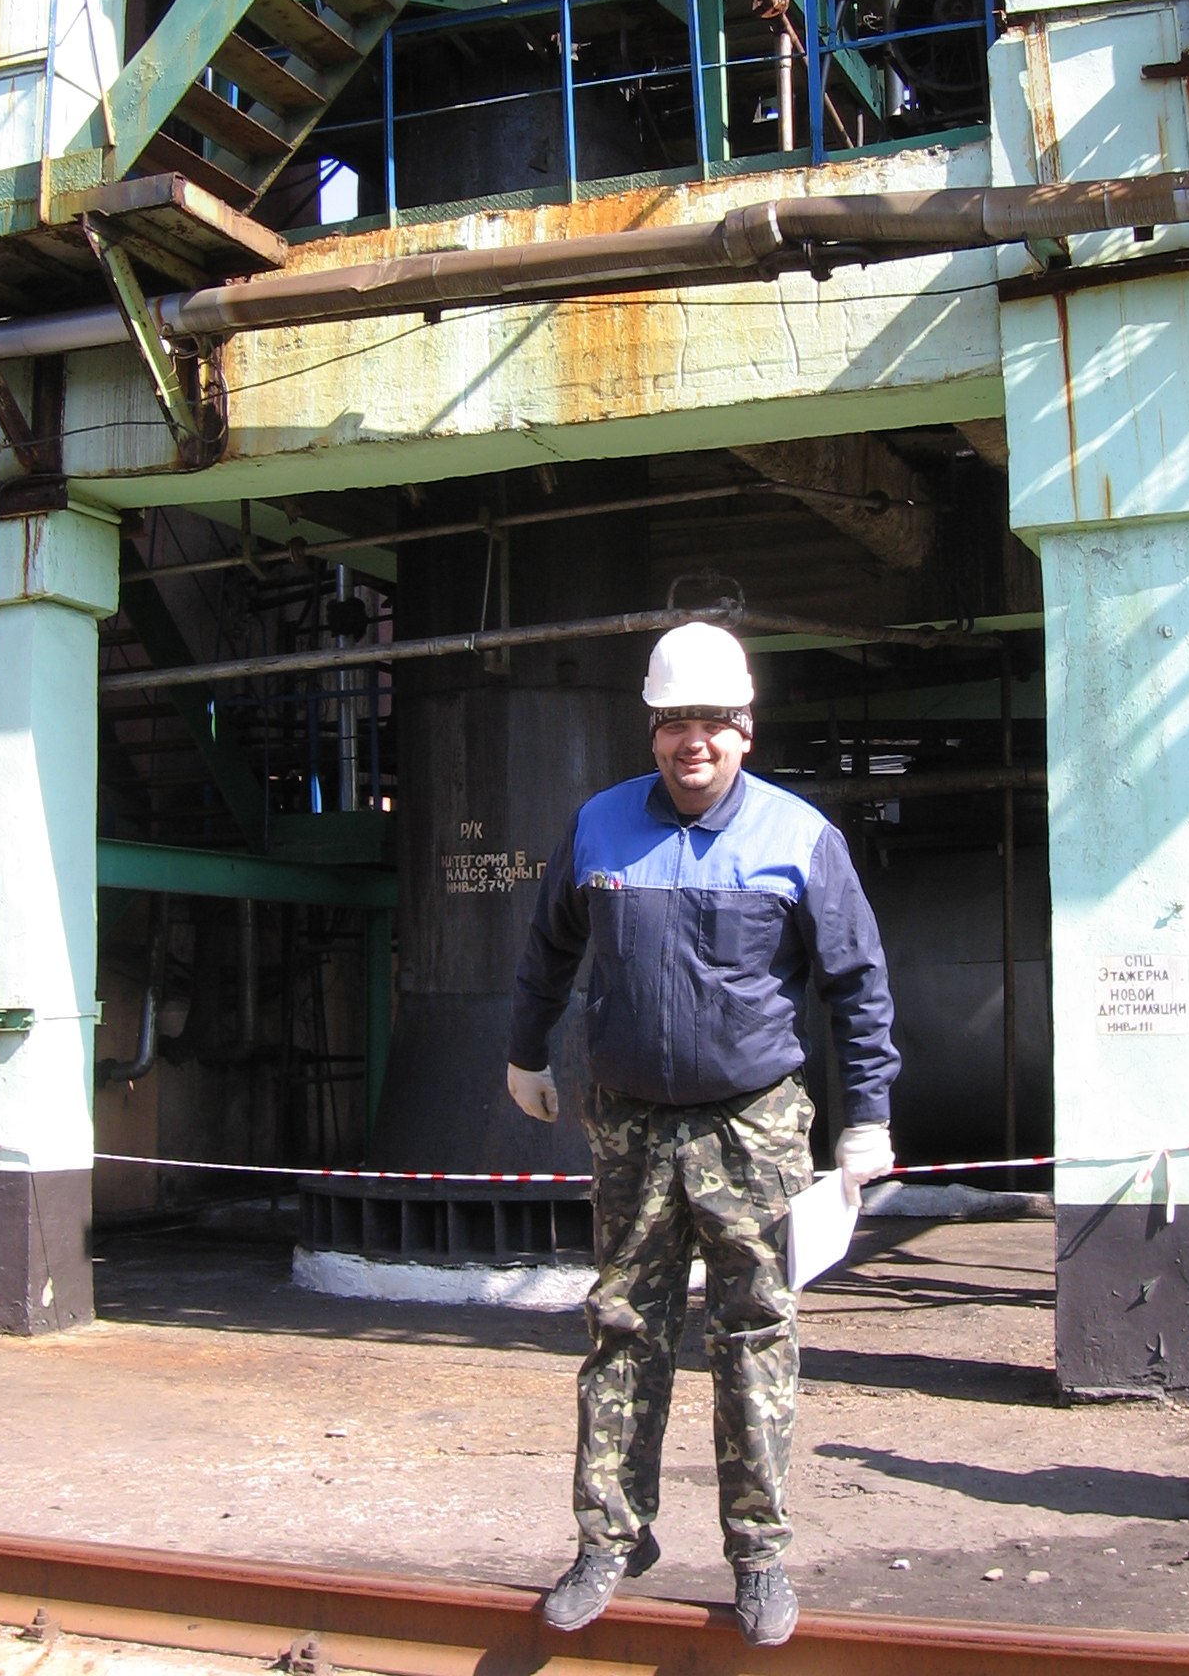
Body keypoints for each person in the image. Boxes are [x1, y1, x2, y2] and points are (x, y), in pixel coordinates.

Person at [506, 620, 900, 1645]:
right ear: (651, 729)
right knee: (622, 1329)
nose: (695, 741)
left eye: (714, 721)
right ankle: (608, 1540)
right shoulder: (597, 828)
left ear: (746, 728)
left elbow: (858, 986)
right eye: (676, 720)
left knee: (754, 1332)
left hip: (753, 1126)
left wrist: (868, 1115)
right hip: (629, 1124)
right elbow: (548, 948)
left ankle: (758, 1557)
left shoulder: (800, 839)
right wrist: (526, 1051)